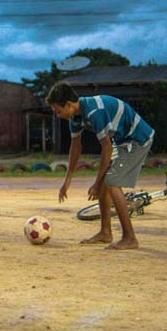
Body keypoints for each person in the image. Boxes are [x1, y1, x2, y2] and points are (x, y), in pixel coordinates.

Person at [46, 80, 154, 250]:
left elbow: (107, 148)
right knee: (107, 180)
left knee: (111, 182)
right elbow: (75, 147)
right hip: (122, 141)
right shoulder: (74, 117)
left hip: (138, 139)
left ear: (68, 105)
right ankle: (105, 232)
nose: (57, 115)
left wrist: (97, 184)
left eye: (58, 111)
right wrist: (67, 181)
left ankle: (130, 237)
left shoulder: (95, 112)